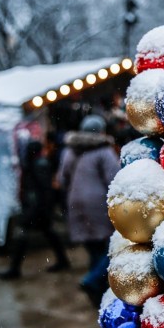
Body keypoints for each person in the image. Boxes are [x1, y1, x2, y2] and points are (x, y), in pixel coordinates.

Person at [57, 115, 120, 306]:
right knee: (110, 247)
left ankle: (97, 289)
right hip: (97, 202)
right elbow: (114, 179)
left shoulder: (69, 150)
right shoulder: (103, 150)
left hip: (75, 202)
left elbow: (62, 179)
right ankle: (93, 280)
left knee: (93, 248)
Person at [0, 140, 70, 279]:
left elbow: (43, 190)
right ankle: (62, 260)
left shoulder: (39, 164)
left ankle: (15, 268)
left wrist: (38, 208)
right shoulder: (38, 163)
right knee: (49, 233)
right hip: (38, 208)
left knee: (23, 235)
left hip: (36, 209)